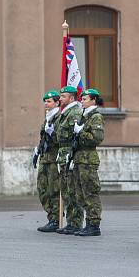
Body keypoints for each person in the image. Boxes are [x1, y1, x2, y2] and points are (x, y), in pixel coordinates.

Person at [73, 88, 105, 236]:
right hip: (79, 158)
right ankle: (88, 222)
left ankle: (94, 224)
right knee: (81, 193)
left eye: (85, 99)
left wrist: (81, 132)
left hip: (88, 160)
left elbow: (96, 138)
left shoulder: (95, 116)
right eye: (81, 99)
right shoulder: (84, 116)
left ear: (93, 100)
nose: (82, 101)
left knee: (90, 192)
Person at [55, 85, 84, 235]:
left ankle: (76, 222)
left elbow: (74, 136)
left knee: (73, 190)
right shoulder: (64, 113)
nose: (60, 99)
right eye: (60, 96)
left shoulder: (75, 112)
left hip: (70, 153)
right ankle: (71, 221)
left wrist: (72, 155)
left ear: (72, 98)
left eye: (63, 96)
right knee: (66, 190)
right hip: (63, 153)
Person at [35, 90, 61, 233]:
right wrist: (38, 150)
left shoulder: (59, 117)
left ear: (57, 103)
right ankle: (50, 215)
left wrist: (53, 134)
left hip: (54, 159)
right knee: (42, 188)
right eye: (45, 101)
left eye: (49, 101)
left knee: (53, 189)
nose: (46, 103)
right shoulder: (48, 117)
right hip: (45, 158)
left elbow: (62, 138)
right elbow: (43, 138)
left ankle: (55, 219)